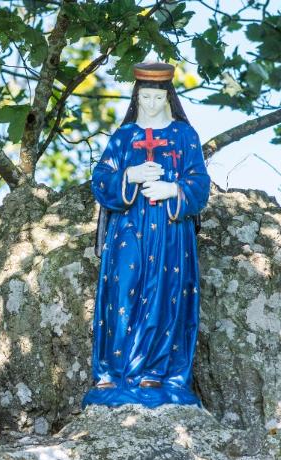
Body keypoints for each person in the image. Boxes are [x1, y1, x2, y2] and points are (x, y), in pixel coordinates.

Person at [82, 61, 211, 409]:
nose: (151, 105)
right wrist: (131, 175)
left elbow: (200, 183)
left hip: (170, 231)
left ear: (169, 99)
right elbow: (101, 179)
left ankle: (156, 371)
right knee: (121, 291)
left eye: (158, 98)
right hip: (128, 227)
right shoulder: (124, 136)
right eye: (145, 97)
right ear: (136, 98)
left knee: (164, 292)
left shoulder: (184, 136)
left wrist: (173, 190)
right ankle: (114, 372)